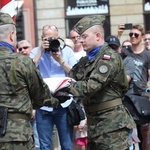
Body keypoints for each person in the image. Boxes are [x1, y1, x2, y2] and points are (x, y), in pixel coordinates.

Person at [59, 14, 136, 150]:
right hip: (95, 124)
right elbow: (71, 77)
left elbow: (89, 87)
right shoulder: (86, 61)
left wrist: (63, 87)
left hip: (113, 125)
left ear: (98, 36)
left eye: (84, 37)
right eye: (79, 37)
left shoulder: (109, 58)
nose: (80, 41)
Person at [0, 12, 59, 150]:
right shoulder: (23, 62)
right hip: (16, 135)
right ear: (12, 35)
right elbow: (40, 97)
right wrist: (56, 100)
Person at [30, 24, 77, 150]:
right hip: (43, 104)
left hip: (64, 103)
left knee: (67, 145)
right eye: (46, 39)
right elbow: (29, 71)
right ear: (42, 38)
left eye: (52, 39)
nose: (50, 42)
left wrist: (60, 59)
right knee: (44, 146)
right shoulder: (36, 51)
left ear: (58, 38)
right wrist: (41, 50)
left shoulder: (67, 51)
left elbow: (75, 73)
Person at [124, 25, 150, 150]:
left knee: (145, 132)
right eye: (131, 34)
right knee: (128, 131)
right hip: (127, 96)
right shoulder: (125, 52)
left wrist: (148, 91)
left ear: (142, 37)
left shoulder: (147, 55)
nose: (133, 37)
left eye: (136, 35)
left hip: (142, 96)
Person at [17, 40, 40, 150]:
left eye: (25, 48)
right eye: (20, 49)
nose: (22, 51)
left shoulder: (34, 64)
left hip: (36, 108)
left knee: (38, 143)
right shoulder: (16, 65)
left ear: (31, 49)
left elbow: (36, 89)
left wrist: (34, 108)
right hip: (22, 110)